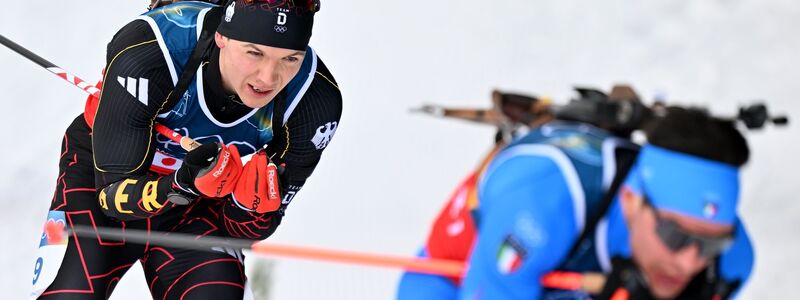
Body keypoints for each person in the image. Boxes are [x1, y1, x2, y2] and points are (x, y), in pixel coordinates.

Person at [32, 0, 342, 299]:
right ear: (222, 36)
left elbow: (251, 230)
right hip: (101, 180)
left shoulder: (313, 101)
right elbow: (110, 197)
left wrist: (247, 207)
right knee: (71, 294)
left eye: (290, 59)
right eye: (254, 53)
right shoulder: (153, 50)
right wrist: (180, 184)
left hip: (199, 204)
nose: (268, 77)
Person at [397, 91, 754, 299]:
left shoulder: (731, 260)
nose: (689, 262)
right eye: (674, 235)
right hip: (453, 277)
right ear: (632, 200)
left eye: (710, 245)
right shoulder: (540, 211)